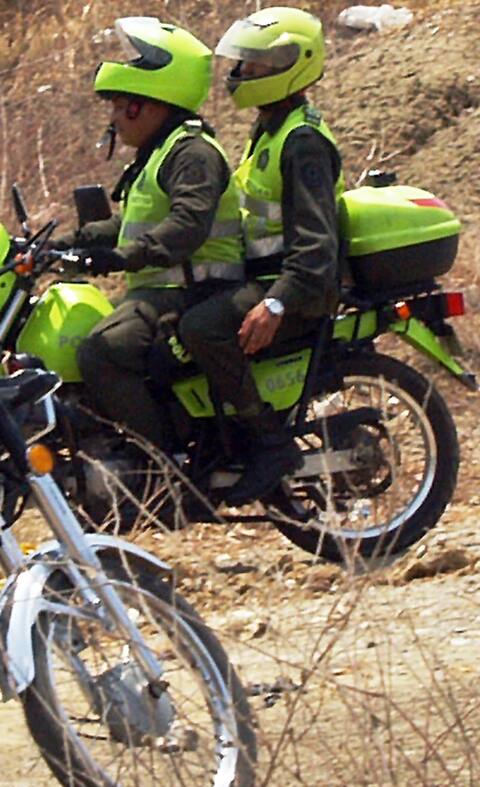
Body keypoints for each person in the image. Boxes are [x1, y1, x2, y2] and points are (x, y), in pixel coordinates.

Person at [178, 7, 342, 505]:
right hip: (268, 277)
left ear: (291, 65)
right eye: (243, 62)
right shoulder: (271, 129)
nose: (242, 73)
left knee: (201, 328)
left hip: (300, 289)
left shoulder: (303, 142)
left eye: (256, 64)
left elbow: (316, 246)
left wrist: (275, 305)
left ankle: (269, 443)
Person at [73, 17, 244, 451]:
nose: (113, 118)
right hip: (164, 291)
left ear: (150, 102)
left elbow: (187, 226)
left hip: (197, 291)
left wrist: (125, 256)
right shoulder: (159, 153)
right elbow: (135, 222)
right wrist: (73, 243)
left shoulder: (194, 153)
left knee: (101, 350)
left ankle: (159, 467)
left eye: (119, 104)